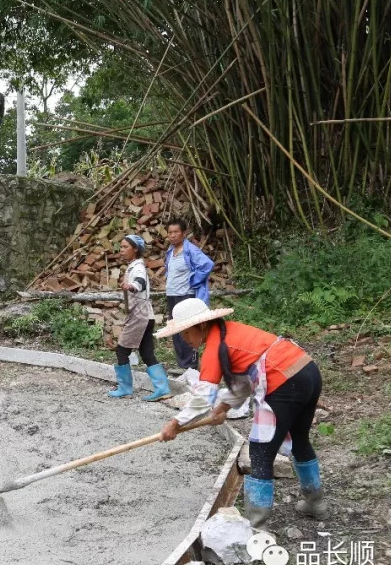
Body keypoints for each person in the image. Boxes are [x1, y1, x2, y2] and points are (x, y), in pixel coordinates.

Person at [157, 299, 326, 528]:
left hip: (285, 382)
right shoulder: (231, 333)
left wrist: (175, 423)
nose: (184, 340)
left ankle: (256, 527)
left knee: (259, 452)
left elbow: (202, 397)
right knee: (299, 439)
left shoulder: (216, 347)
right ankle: (315, 503)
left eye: (185, 333)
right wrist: (223, 408)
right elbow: (246, 380)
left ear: (201, 326)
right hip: (307, 371)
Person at [107, 235, 173, 401]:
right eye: (120, 247)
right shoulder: (133, 266)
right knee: (146, 352)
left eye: (125, 247)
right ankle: (162, 389)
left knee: (122, 350)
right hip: (145, 315)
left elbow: (140, 282)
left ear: (135, 248)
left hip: (139, 315)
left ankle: (125, 388)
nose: (121, 251)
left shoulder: (138, 267)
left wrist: (132, 286)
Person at [163, 218, 214, 369]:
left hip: (186, 295)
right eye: (170, 232)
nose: (172, 235)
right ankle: (181, 364)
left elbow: (207, 265)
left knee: (188, 331)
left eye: (176, 232)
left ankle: (190, 365)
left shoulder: (190, 250)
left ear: (183, 233)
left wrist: (194, 280)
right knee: (176, 330)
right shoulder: (171, 251)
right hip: (172, 295)